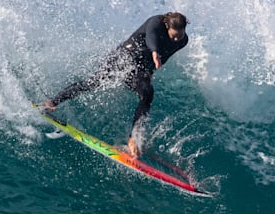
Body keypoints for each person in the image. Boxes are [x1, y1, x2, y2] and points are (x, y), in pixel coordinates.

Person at [40, 12, 190, 157]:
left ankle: (133, 138)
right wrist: (154, 52)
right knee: (93, 82)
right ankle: (53, 102)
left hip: (140, 69)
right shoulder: (156, 22)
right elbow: (151, 38)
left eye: (180, 35)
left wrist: (151, 69)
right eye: (174, 35)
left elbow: (167, 54)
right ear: (166, 25)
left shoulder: (182, 41)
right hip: (122, 58)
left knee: (148, 94)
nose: (176, 39)